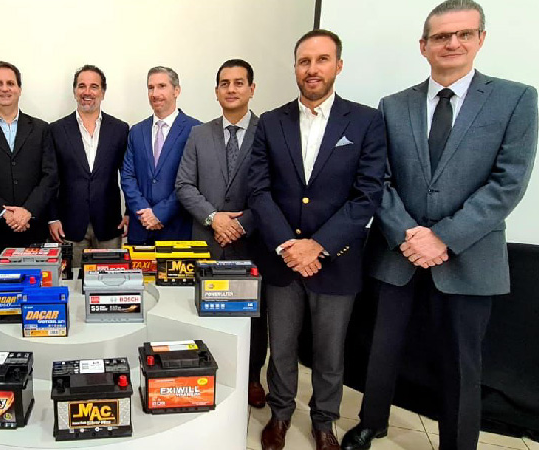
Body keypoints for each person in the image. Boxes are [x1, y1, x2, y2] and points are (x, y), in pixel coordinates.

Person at [342, 2, 538, 450]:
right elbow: (379, 180)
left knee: (461, 361)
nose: (452, 43)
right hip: (399, 251)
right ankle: (372, 422)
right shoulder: (394, 105)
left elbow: (508, 183)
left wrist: (443, 237)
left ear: (480, 39)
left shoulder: (515, 99)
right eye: (441, 36)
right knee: (382, 348)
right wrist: (408, 235)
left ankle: (457, 442)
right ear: (424, 46)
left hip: (470, 255)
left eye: (463, 34)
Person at [247, 30, 387, 450]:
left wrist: (318, 246)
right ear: (295, 67)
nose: (312, 69)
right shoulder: (271, 122)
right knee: (281, 349)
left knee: (329, 353)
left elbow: (367, 195)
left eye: (322, 59)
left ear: (338, 66)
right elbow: (259, 191)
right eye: (304, 61)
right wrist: (288, 246)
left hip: (337, 261)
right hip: (282, 260)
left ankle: (324, 422)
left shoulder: (365, 121)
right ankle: (280, 415)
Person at [175, 59, 267, 407]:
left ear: (251, 89)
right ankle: (209, 372)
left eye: (239, 83)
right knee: (206, 310)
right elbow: (184, 185)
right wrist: (214, 218)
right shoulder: (199, 134)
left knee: (253, 316)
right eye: (225, 83)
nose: (231, 89)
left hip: (251, 242)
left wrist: (241, 224)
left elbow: (274, 190)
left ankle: (252, 377)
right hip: (207, 240)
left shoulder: (269, 132)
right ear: (216, 91)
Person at [0, 61, 58, 254]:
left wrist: (28, 211)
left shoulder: (40, 129)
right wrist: (4, 213)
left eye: (10, 83)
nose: (5, 89)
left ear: (19, 89)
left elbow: (50, 176)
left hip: (34, 229)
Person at [48, 65, 129, 267]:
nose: (87, 92)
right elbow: (49, 178)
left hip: (109, 224)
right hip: (69, 227)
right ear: (74, 91)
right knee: (72, 282)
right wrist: (52, 218)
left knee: (110, 281)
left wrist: (129, 212)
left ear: (103, 92)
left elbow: (128, 174)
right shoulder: (56, 130)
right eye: (82, 86)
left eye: (94, 86)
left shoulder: (120, 129)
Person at [121, 66, 200, 245]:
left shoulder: (195, 130)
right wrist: (143, 212)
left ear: (176, 91)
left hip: (177, 230)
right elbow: (127, 176)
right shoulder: (136, 131)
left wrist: (159, 214)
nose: (155, 94)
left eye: (162, 86)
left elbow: (194, 181)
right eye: (151, 88)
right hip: (140, 229)